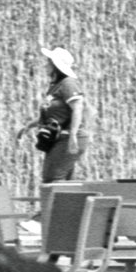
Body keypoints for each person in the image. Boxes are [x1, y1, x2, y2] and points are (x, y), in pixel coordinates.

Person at [35, 46, 86, 184]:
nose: (46, 65)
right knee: (63, 180)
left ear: (55, 66)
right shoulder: (57, 86)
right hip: (59, 138)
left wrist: (73, 135)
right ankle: (71, 205)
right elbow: (56, 113)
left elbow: (77, 108)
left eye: (48, 63)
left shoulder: (68, 83)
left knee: (52, 178)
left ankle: (55, 206)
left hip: (68, 137)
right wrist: (31, 124)